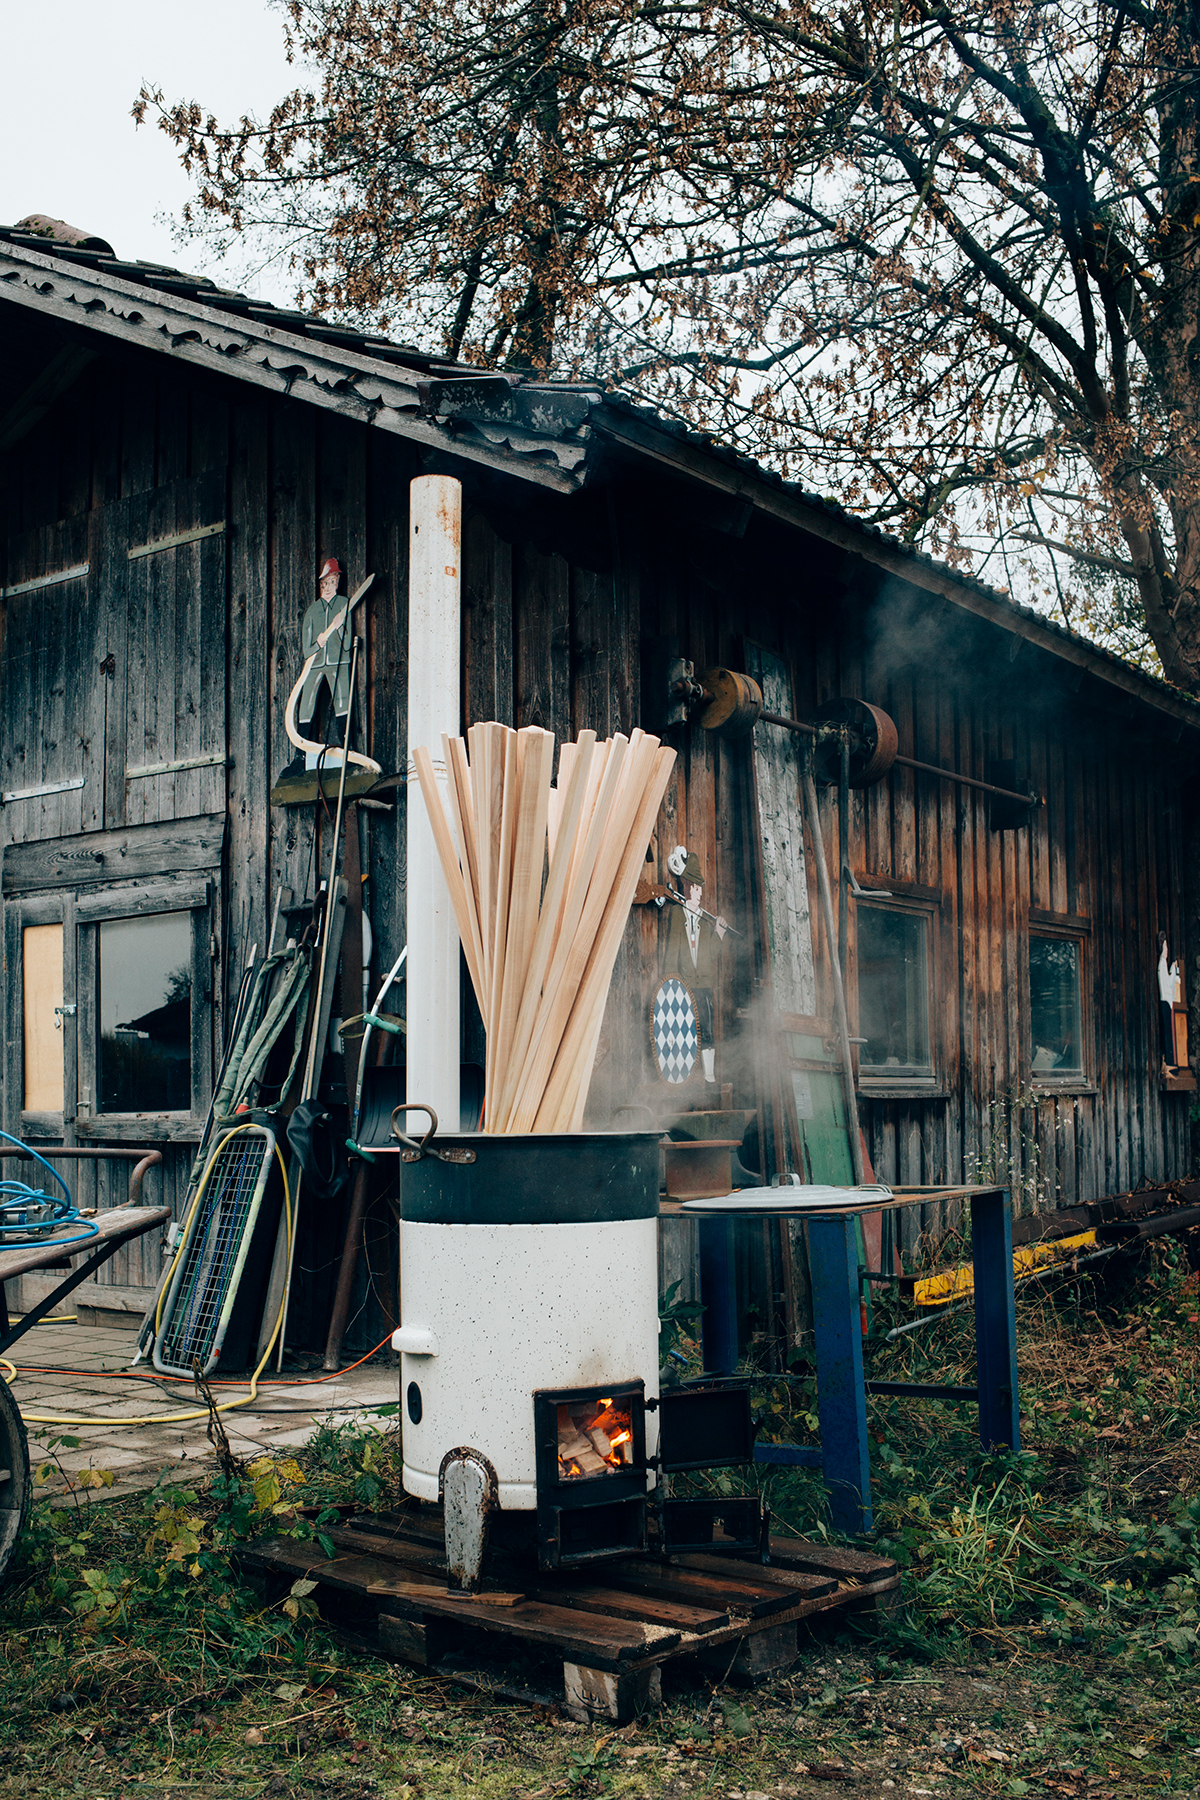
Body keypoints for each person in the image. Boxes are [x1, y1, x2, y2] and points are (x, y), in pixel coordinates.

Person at [661, 845, 728, 1083]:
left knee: (707, 1029)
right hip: (684, 985)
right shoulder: (678, 915)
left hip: (704, 985)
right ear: (687, 888)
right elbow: (672, 950)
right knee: (683, 1030)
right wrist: (670, 983)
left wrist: (718, 934)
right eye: (696, 888)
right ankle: (683, 1075)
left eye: (700, 888)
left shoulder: (704, 919)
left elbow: (709, 955)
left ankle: (709, 1075)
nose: (700, 893)